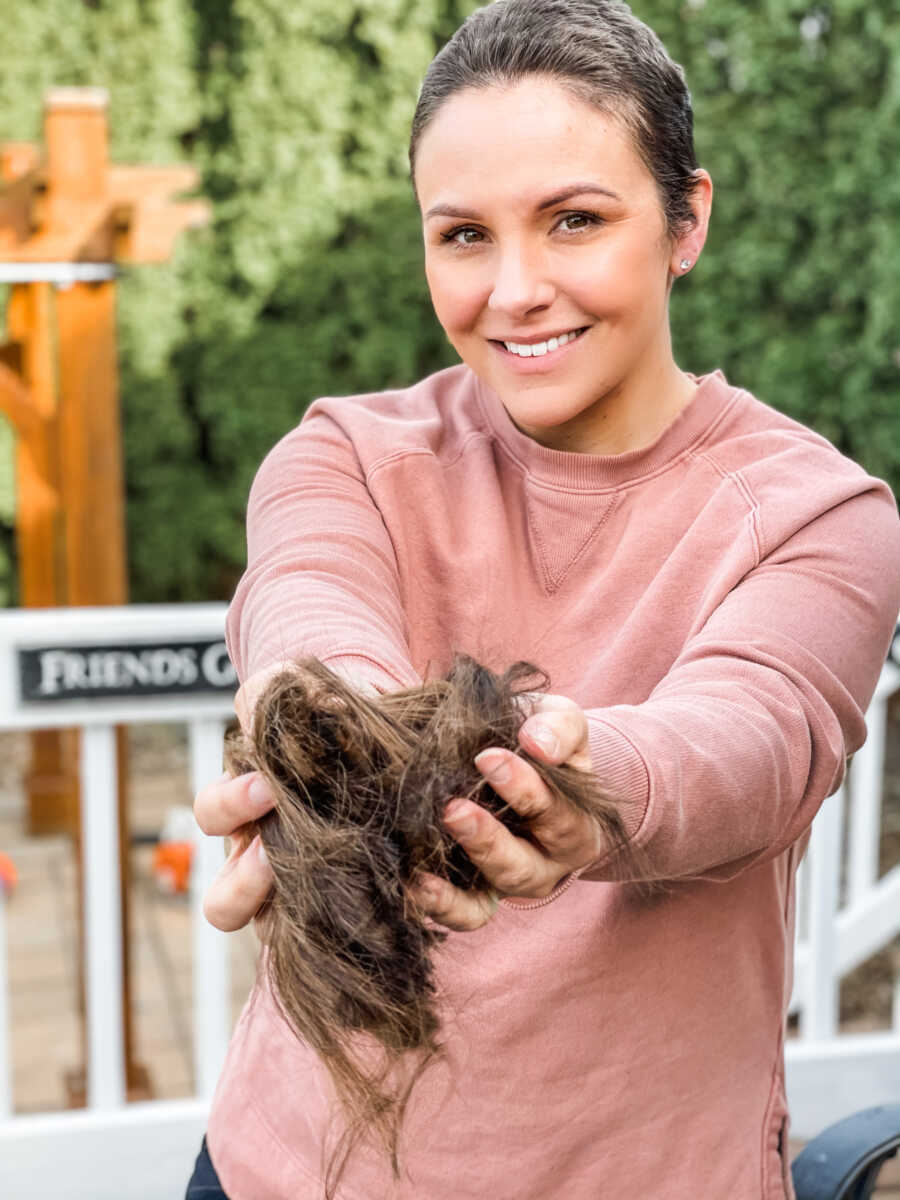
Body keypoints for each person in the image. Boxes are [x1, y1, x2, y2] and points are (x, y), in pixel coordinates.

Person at [188, 1, 900, 1197]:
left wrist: (574, 790)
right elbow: (310, 609)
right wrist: (325, 742)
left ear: (687, 221)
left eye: (574, 220)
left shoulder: (818, 513)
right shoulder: (345, 454)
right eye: (463, 235)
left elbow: (752, 739)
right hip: (288, 1170)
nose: (515, 289)